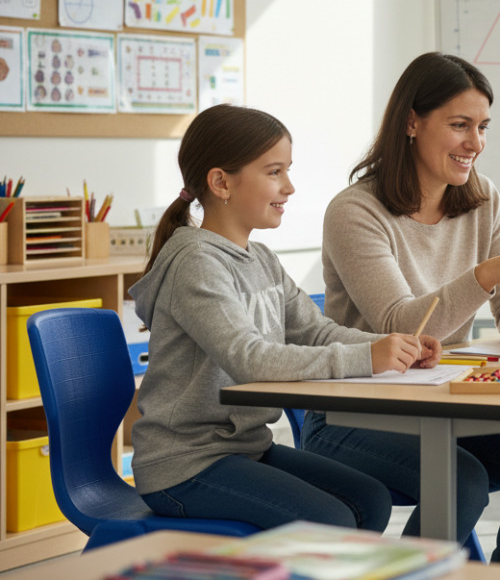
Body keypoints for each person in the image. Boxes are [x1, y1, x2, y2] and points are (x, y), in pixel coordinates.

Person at [305, 52, 500, 566]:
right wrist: (486, 275)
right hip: (353, 416)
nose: (475, 143)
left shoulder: (480, 198)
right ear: (412, 121)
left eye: (482, 127)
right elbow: (403, 325)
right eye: (460, 125)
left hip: (444, 408)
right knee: (459, 479)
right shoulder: (355, 212)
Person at [131, 104, 439, 532]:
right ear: (221, 182)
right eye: (274, 172)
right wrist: (368, 358)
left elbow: (315, 331)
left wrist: (393, 346)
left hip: (244, 448)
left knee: (369, 499)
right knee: (328, 519)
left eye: (287, 171)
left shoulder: (260, 258)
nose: (289, 187)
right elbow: (250, 360)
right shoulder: (196, 262)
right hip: (185, 466)